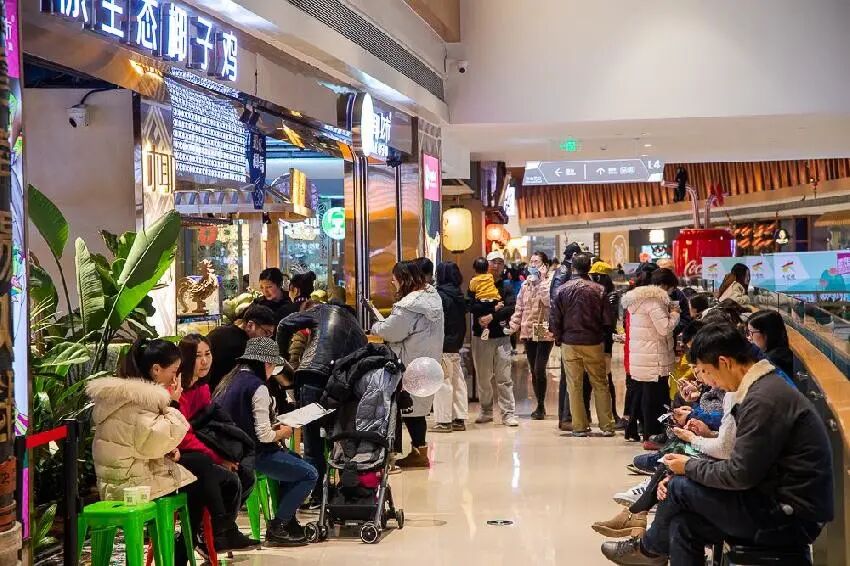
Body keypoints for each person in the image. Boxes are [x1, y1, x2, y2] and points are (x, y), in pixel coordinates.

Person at [601, 324, 834, 566]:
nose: (709, 381)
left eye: (705, 371)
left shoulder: (764, 398)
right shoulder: (760, 387)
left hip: (790, 517)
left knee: (678, 488)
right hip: (771, 498)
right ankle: (652, 549)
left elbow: (739, 474)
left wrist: (688, 468)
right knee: (683, 524)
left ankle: (649, 550)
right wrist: (686, 471)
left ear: (724, 362)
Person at [87, 339, 202, 561]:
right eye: (174, 372)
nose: (176, 379)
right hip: (132, 486)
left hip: (120, 481)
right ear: (156, 370)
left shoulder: (124, 397)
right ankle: (179, 554)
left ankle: (185, 550)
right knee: (201, 480)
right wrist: (173, 403)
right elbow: (157, 439)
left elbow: (142, 442)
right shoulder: (137, 400)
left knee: (201, 470)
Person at [216, 337, 318, 547]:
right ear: (266, 363)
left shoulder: (229, 380)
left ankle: (288, 520)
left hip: (229, 449)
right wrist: (284, 432)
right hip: (253, 454)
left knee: (293, 461)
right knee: (309, 474)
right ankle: (278, 526)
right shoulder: (258, 387)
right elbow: (263, 436)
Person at [276, 300, 367, 502]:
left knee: (312, 443)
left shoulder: (322, 310)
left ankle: (317, 494)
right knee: (344, 438)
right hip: (340, 387)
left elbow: (284, 324)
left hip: (312, 379)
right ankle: (346, 490)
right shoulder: (359, 332)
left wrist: (280, 358)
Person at [176, 335, 260, 552]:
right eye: (198, 356)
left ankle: (221, 531)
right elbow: (183, 436)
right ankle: (214, 533)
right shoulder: (177, 390)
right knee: (229, 479)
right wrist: (218, 459)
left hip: (201, 449)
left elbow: (210, 424)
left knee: (246, 472)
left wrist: (225, 455)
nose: (204, 361)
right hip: (182, 454)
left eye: (208, 354)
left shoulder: (202, 387)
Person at [371, 260, 445, 467]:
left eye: (394, 280)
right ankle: (419, 451)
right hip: (427, 362)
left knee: (404, 407)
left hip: (409, 363)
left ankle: (397, 455)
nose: (393, 283)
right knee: (417, 410)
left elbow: (391, 331)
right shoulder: (432, 298)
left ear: (404, 280)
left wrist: (377, 326)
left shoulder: (409, 306)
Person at [549, 253, 616, 437]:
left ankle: (579, 426)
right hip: (593, 342)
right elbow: (608, 320)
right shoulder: (599, 290)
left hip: (570, 342)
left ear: (573, 268)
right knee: (600, 384)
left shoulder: (561, 290)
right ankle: (607, 426)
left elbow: (554, 318)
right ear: (589, 268)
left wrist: (559, 338)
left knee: (574, 386)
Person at [621, 270, 679, 449]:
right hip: (654, 358)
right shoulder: (654, 302)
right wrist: (675, 314)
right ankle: (653, 436)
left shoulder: (637, 300)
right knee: (656, 400)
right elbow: (664, 328)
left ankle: (648, 434)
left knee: (647, 397)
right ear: (664, 285)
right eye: (671, 288)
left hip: (642, 357)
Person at [469, 251, 519, 427]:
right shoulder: (476, 282)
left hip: (501, 337)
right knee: (483, 377)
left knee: (504, 377)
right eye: (493, 262)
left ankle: (508, 413)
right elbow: (470, 305)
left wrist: (492, 315)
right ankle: (486, 411)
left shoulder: (506, 286)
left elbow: (511, 307)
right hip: (481, 337)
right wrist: (487, 312)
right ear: (486, 264)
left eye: (500, 262)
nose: (496, 266)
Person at [508, 251, 554, 420]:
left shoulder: (549, 282)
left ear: (545, 265)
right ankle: (539, 404)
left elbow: (549, 301)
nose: (533, 265)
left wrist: (541, 281)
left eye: (537, 262)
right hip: (528, 328)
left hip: (542, 327)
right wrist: (513, 326)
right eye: (531, 262)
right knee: (533, 369)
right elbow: (519, 308)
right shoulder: (525, 285)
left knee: (539, 368)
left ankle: (541, 405)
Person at [432, 261, 469, 433]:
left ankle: (444, 421)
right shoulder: (458, 295)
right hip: (456, 343)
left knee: (443, 382)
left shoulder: (440, 296)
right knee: (457, 382)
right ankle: (459, 418)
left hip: (443, 343)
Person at [589, 260, 625, 428]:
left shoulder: (608, 296)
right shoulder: (607, 294)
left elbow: (608, 322)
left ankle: (611, 415)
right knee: (604, 380)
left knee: (604, 380)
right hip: (602, 342)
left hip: (599, 342)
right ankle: (610, 415)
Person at [551, 242, 583, 429]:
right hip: (569, 330)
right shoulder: (565, 272)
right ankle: (567, 416)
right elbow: (555, 302)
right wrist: (558, 330)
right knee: (570, 375)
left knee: (569, 375)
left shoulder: (563, 271)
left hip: (568, 329)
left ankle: (567, 416)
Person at [747, 310, 794, 378]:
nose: (749, 337)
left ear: (767, 333)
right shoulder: (779, 353)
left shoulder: (773, 361)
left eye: (751, 332)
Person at [468, 256, 502, 340]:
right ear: (487, 268)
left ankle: (485, 328)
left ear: (474, 269)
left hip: (482, 301)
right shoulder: (490, 276)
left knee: (481, 316)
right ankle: (502, 322)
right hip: (494, 299)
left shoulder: (474, 281)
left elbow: (472, 290)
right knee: (492, 311)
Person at [652, 268, 691, 338]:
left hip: (669, 338)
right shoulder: (648, 299)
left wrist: (673, 331)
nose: (672, 290)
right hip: (651, 340)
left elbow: (685, 318)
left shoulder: (677, 295)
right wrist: (675, 313)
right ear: (663, 285)